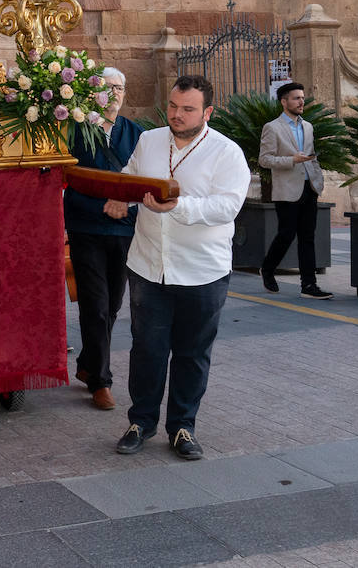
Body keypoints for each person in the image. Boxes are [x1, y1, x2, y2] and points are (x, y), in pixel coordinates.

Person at [104, 75, 250, 461]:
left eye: (187, 109)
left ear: (208, 112)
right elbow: (132, 178)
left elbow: (226, 207)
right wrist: (123, 198)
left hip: (202, 271)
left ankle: (183, 426)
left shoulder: (226, 153)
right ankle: (141, 422)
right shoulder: (149, 140)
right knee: (147, 349)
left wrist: (178, 207)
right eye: (173, 106)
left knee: (191, 352)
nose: (177, 115)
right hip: (148, 265)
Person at [63, 67, 142, 410]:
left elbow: (146, 182)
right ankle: (101, 381)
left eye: (120, 87)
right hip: (87, 230)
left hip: (125, 230)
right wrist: (104, 207)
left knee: (111, 305)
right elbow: (68, 180)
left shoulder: (138, 134)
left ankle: (86, 364)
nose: (115, 93)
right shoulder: (75, 130)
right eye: (108, 87)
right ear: (94, 91)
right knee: (95, 305)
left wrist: (126, 206)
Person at [259, 82, 333, 299]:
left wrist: (317, 179)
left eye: (302, 97)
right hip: (287, 190)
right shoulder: (272, 128)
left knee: (307, 237)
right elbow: (264, 159)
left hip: (309, 188)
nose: (301, 102)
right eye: (296, 98)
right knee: (286, 235)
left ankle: (309, 286)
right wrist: (292, 160)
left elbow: (310, 155)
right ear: (284, 102)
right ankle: (268, 269)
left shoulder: (308, 126)